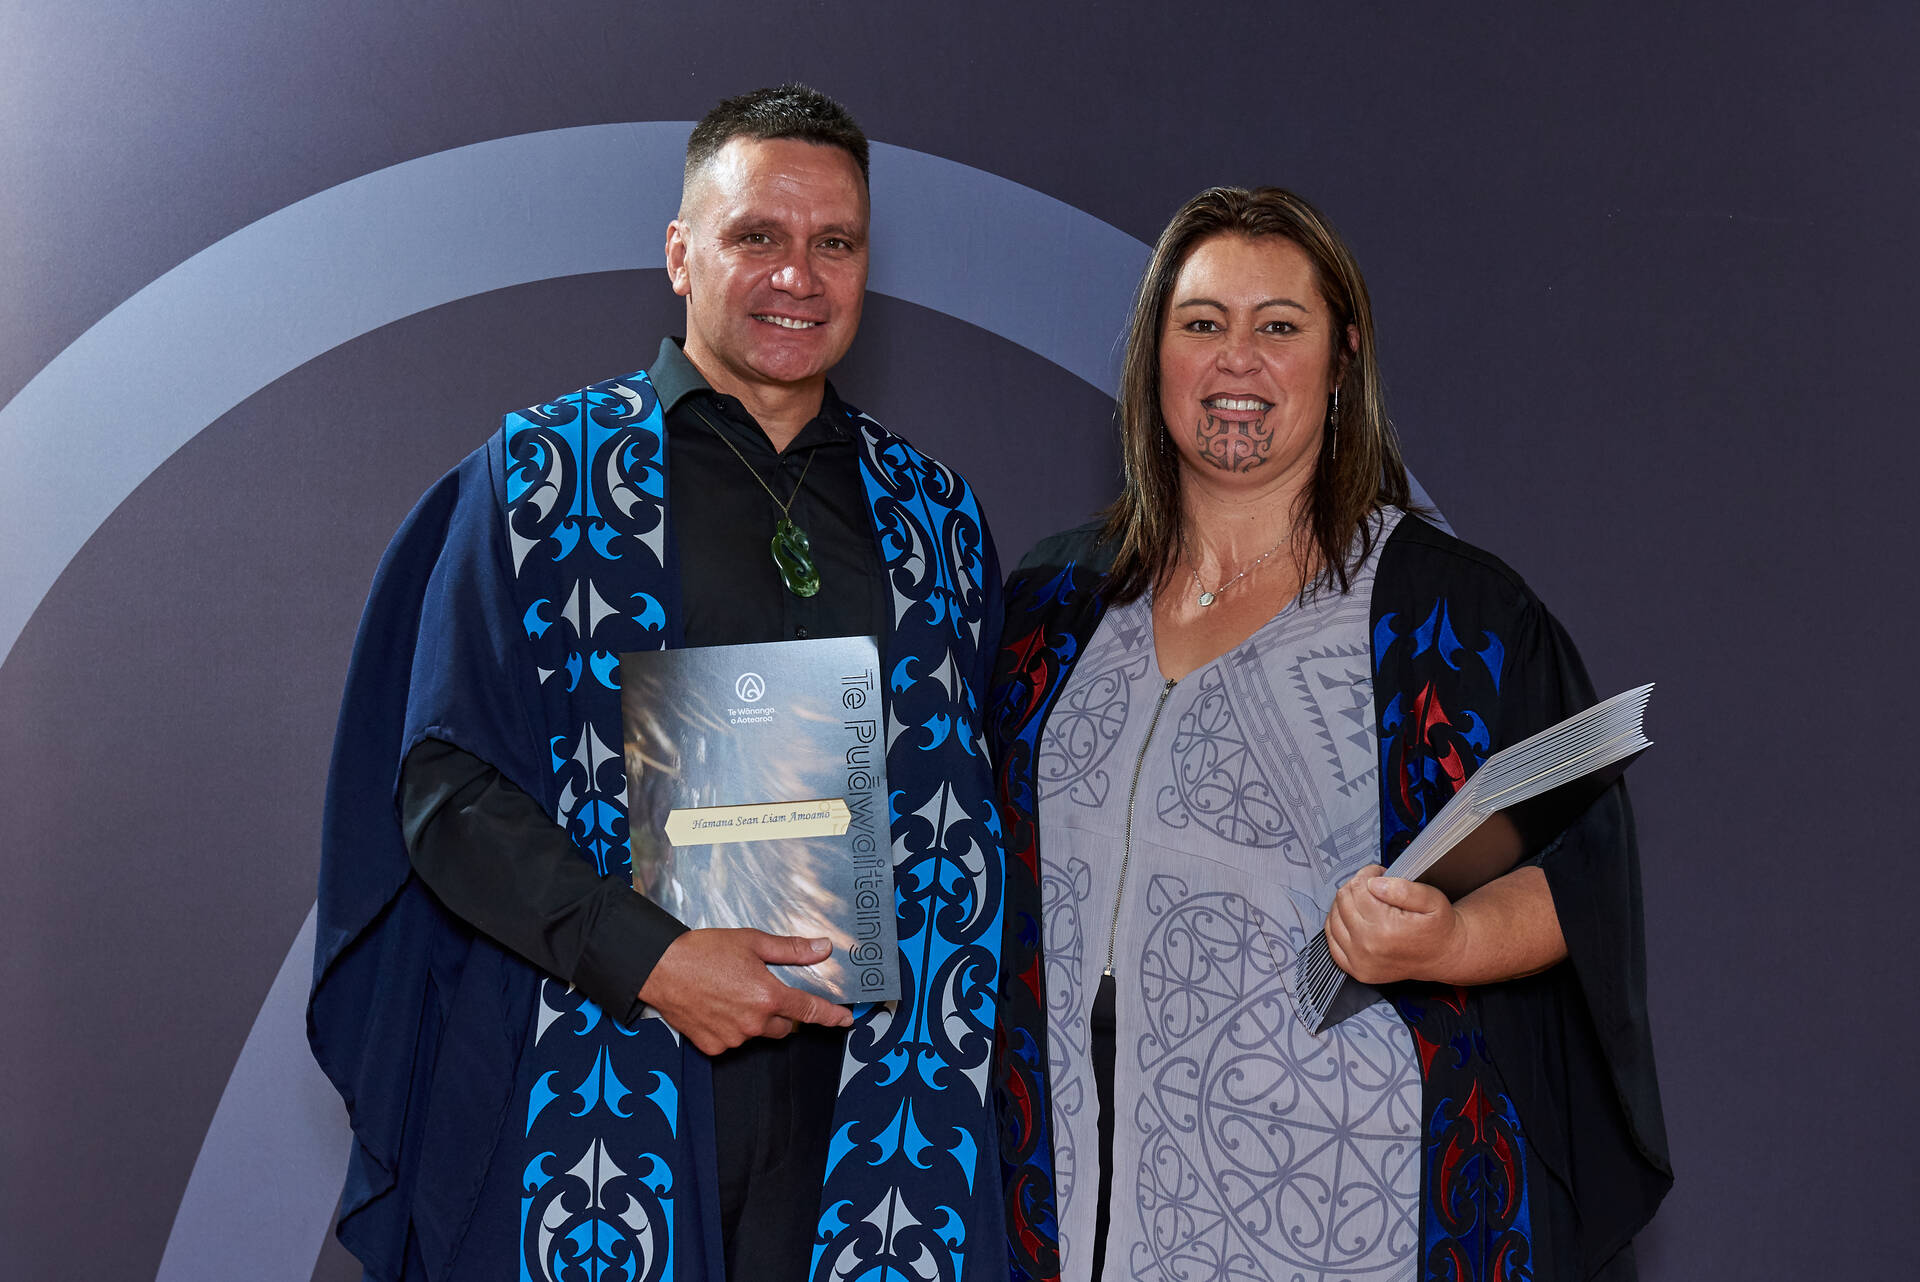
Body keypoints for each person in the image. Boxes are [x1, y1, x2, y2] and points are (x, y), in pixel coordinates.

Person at [308, 85, 1007, 1282]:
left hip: (868, 1105)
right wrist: (654, 958)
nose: (798, 274)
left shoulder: (935, 519)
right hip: (607, 1061)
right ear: (681, 254)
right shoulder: (538, 481)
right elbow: (447, 791)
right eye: (757, 235)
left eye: (834, 243)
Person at [989, 187, 1670, 1282]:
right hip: (1071, 1203)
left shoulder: (1452, 620)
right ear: (1155, 353)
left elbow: (1579, 879)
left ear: (1342, 357)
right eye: (1202, 322)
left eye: (1279, 325)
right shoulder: (1052, 604)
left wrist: (1448, 941)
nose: (1237, 359)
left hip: (1338, 1206)